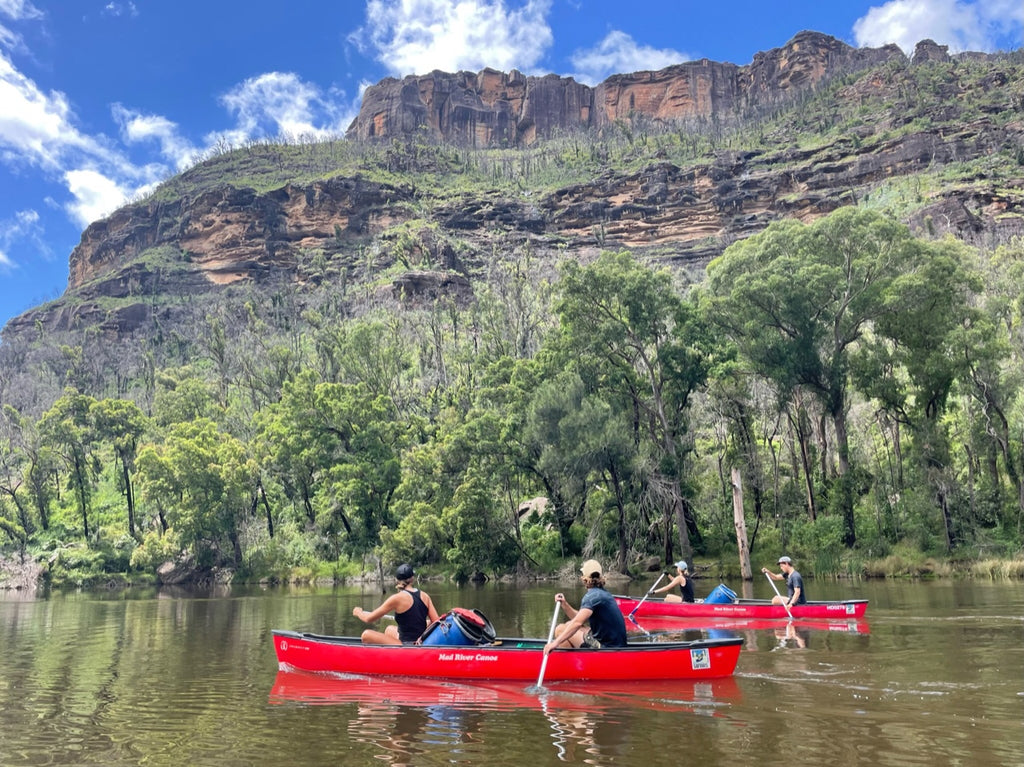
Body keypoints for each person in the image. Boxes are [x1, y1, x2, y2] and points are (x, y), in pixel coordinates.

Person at [543, 559, 628, 653]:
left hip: (607, 647)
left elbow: (577, 623)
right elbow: (578, 618)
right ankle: (575, 656)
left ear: (584, 578)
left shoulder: (591, 597)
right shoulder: (602, 593)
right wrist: (564, 604)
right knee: (568, 625)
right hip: (614, 643)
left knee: (560, 629)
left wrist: (554, 643)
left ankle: (572, 663)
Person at [353, 563, 440, 645]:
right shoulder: (425, 596)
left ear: (397, 580)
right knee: (389, 629)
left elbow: (369, 619)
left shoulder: (397, 598)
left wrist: (358, 612)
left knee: (366, 635)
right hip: (421, 642)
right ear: (412, 579)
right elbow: (436, 622)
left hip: (406, 645)